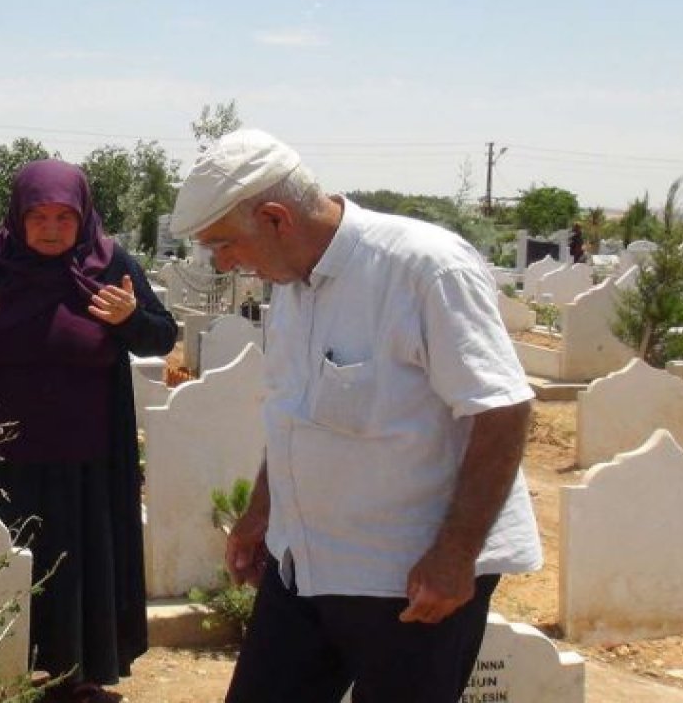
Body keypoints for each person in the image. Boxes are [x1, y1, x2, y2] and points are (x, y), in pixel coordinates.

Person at [169, 130, 542, 703]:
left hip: (409, 580)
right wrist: (262, 513)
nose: (225, 264)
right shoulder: (293, 281)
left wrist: (455, 555)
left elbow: (501, 408)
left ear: (274, 218)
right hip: (303, 564)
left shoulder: (423, 269)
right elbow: (295, 410)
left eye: (224, 245)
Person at [0, 159, 177, 702]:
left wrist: (129, 317)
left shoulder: (109, 263)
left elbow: (159, 337)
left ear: (83, 217)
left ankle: (77, 677)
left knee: (77, 562)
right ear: (19, 215)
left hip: (84, 457)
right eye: (39, 216)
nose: (52, 228)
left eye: (64, 216)